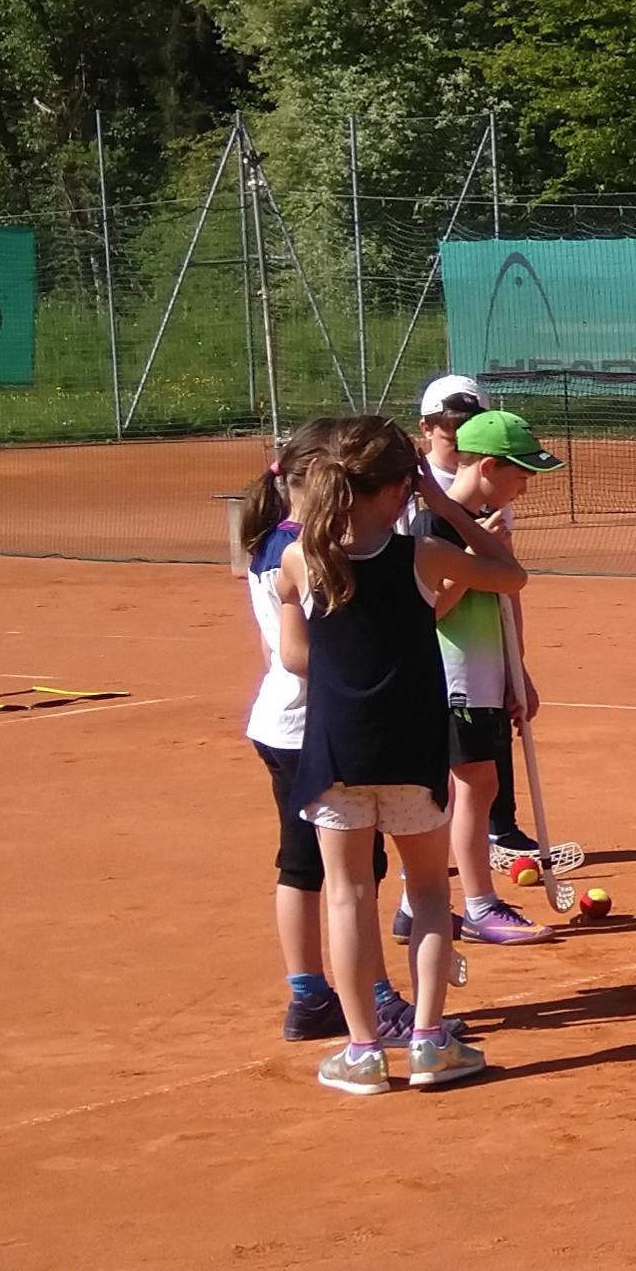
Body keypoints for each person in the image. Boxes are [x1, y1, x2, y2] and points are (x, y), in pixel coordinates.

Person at [271, 418, 526, 1094]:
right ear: (397, 488)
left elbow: (294, 656)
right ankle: (429, 1042)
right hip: (411, 751)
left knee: (348, 895)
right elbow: (511, 575)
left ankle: (362, 1050)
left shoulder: (301, 559)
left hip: (336, 755)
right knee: (430, 892)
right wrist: (445, 506)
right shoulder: (423, 555)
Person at [234, 420, 417, 1049]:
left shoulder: (273, 542)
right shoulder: (311, 551)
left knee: (303, 867)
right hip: (320, 729)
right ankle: (377, 998)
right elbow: (322, 651)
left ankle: (310, 995)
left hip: (282, 723)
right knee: (353, 878)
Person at [405, 407, 566, 948]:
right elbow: (428, 611)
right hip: (452, 677)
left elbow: (507, 595)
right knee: (476, 787)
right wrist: (473, 559)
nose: (525, 487)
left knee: (465, 790)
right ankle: (480, 905)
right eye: (520, 474)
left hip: (484, 674)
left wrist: (517, 673)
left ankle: (412, 907)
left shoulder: (481, 522)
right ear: (489, 467)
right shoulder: (432, 527)